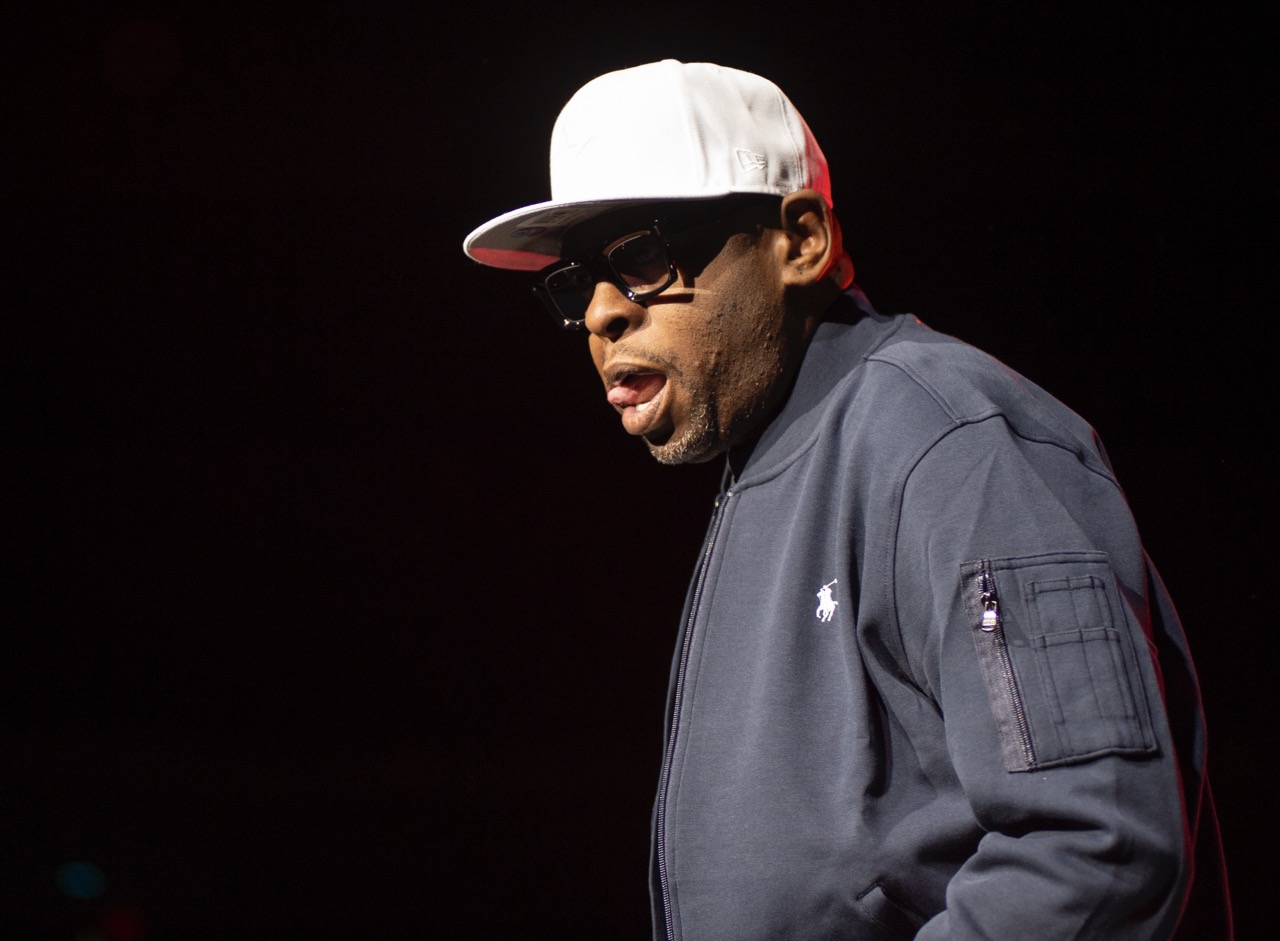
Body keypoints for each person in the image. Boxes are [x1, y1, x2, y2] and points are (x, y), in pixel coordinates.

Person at [463, 60, 1231, 940]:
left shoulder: (948, 444)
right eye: (576, 280)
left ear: (801, 241)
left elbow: (1097, 844)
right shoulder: (773, 461)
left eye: (642, 256)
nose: (602, 314)